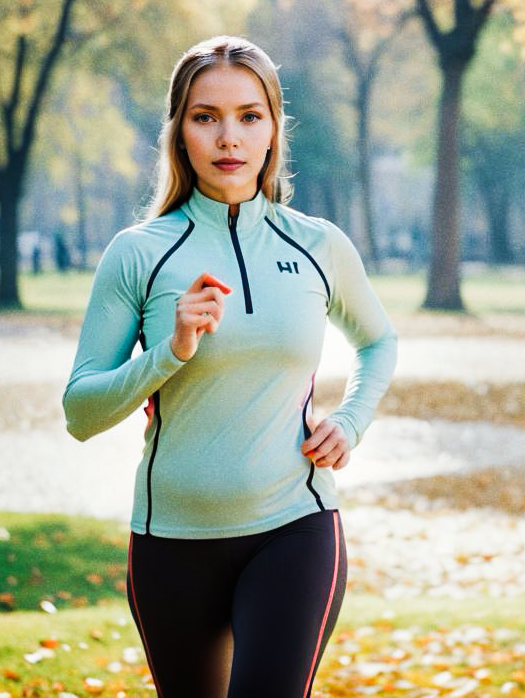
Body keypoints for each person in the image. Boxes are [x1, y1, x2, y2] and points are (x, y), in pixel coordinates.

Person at [63, 35, 397, 698]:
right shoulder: (139, 254)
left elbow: (378, 341)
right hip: (169, 540)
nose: (228, 138)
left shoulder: (316, 244)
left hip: (295, 528)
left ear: (274, 129)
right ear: (178, 132)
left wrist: (352, 423)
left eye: (249, 116)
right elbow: (80, 412)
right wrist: (170, 353)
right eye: (205, 116)